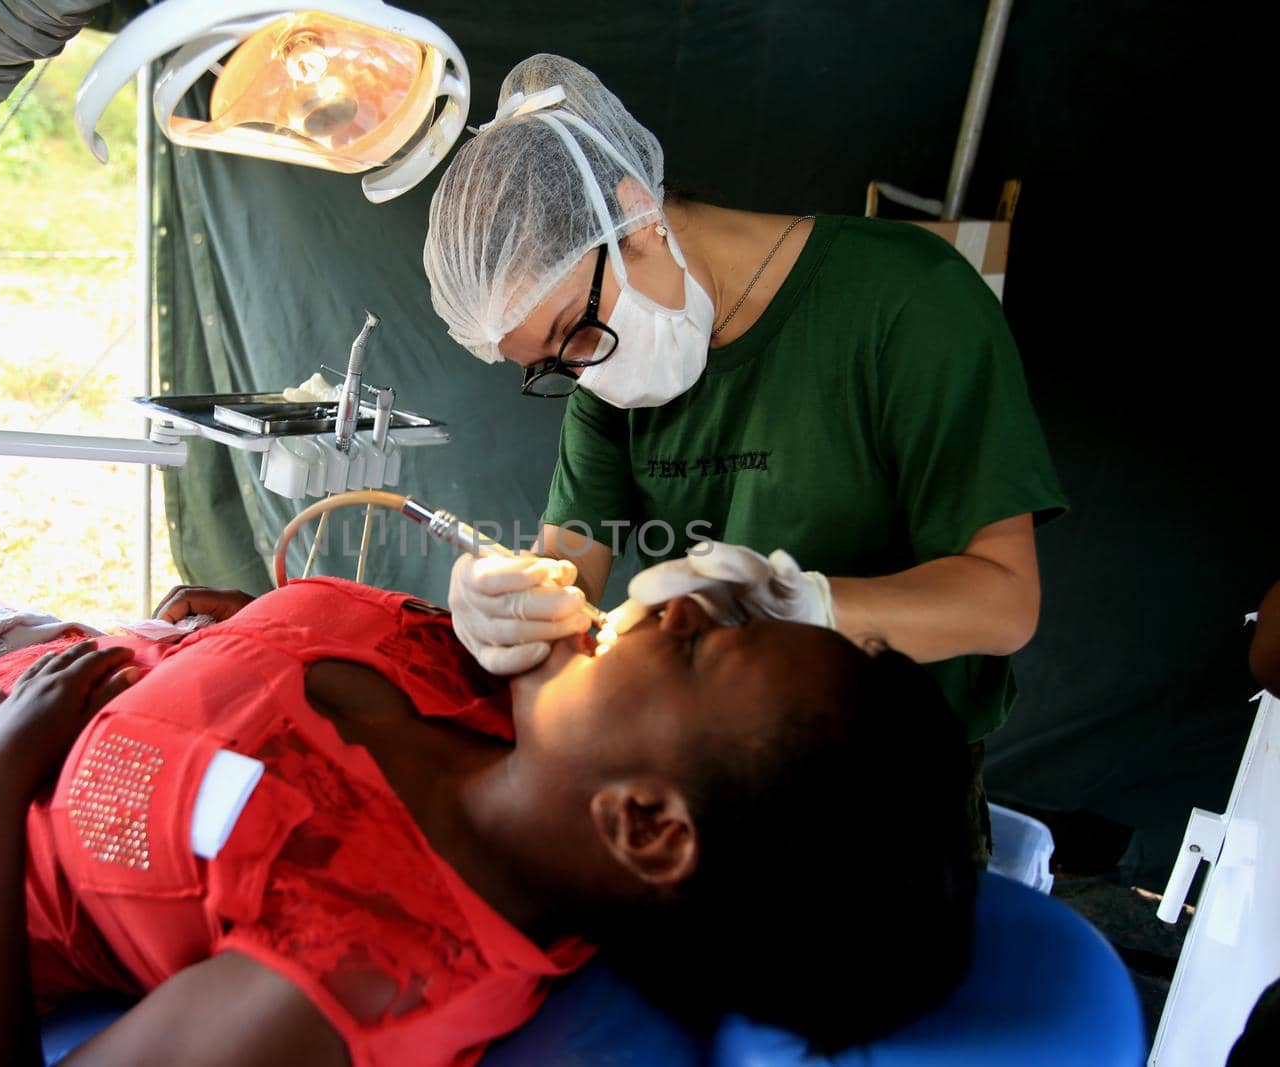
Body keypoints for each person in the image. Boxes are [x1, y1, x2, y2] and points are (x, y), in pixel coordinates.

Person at [0, 538, 975, 1066]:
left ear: (645, 824)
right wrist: (231, 632)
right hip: (7, 660)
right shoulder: (502, 704)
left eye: (699, 646)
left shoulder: (356, 972)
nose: (681, 598)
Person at [422, 54, 1068, 862]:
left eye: (575, 334)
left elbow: (1005, 602)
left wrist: (808, 608)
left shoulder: (909, 304)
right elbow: (567, 574)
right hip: (715, 783)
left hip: (893, 791)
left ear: (635, 216)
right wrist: (506, 599)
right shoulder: (612, 373)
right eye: (555, 366)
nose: (584, 370)